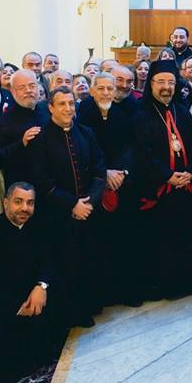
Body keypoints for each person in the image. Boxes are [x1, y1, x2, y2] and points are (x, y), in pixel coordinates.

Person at [0, 183, 63, 383]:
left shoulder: (40, 226)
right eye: (18, 202)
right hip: (6, 305)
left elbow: (49, 261)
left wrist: (41, 286)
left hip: (34, 297)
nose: (25, 208)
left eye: (30, 203)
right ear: (6, 203)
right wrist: (16, 307)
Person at [29, 88, 106, 325]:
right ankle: (75, 314)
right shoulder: (41, 139)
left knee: (90, 260)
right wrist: (72, 204)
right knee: (68, 265)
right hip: (59, 214)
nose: (68, 108)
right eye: (61, 104)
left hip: (89, 211)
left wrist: (89, 202)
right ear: (51, 107)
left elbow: (99, 170)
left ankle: (92, 305)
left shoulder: (86, 132)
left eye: (71, 103)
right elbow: (42, 181)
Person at [134, 60, 192, 299]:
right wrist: (167, 176)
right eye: (161, 82)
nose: (166, 87)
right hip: (160, 190)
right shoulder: (141, 114)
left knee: (187, 236)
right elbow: (142, 153)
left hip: (186, 187)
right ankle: (168, 286)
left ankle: (191, 283)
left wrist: (191, 172)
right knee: (163, 241)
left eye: (171, 82)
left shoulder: (182, 111)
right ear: (151, 84)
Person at [77, 72, 142, 306]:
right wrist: (104, 173)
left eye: (109, 88)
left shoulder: (122, 115)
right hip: (95, 185)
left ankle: (125, 291)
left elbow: (131, 146)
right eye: (101, 88)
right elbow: (85, 149)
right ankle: (102, 296)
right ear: (92, 91)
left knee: (124, 240)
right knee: (98, 243)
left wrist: (122, 171)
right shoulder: (82, 115)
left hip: (122, 184)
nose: (106, 93)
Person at [0, 69, 49, 187]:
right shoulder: (2, 120)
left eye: (32, 86)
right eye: (22, 88)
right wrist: (22, 143)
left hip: (50, 186)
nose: (28, 90)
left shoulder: (48, 112)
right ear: (13, 91)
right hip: (21, 186)